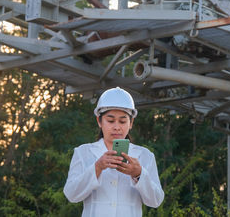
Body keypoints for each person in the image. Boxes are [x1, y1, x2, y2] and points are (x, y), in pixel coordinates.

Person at [64, 87, 164, 217]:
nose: (116, 127)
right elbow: (71, 195)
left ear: (131, 123)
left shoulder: (145, 156)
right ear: (99, 121)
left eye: (122, 121)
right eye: (110, 121)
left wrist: (139, 174)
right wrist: (97, 167)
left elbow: (156, 201)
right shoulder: (83, 152)